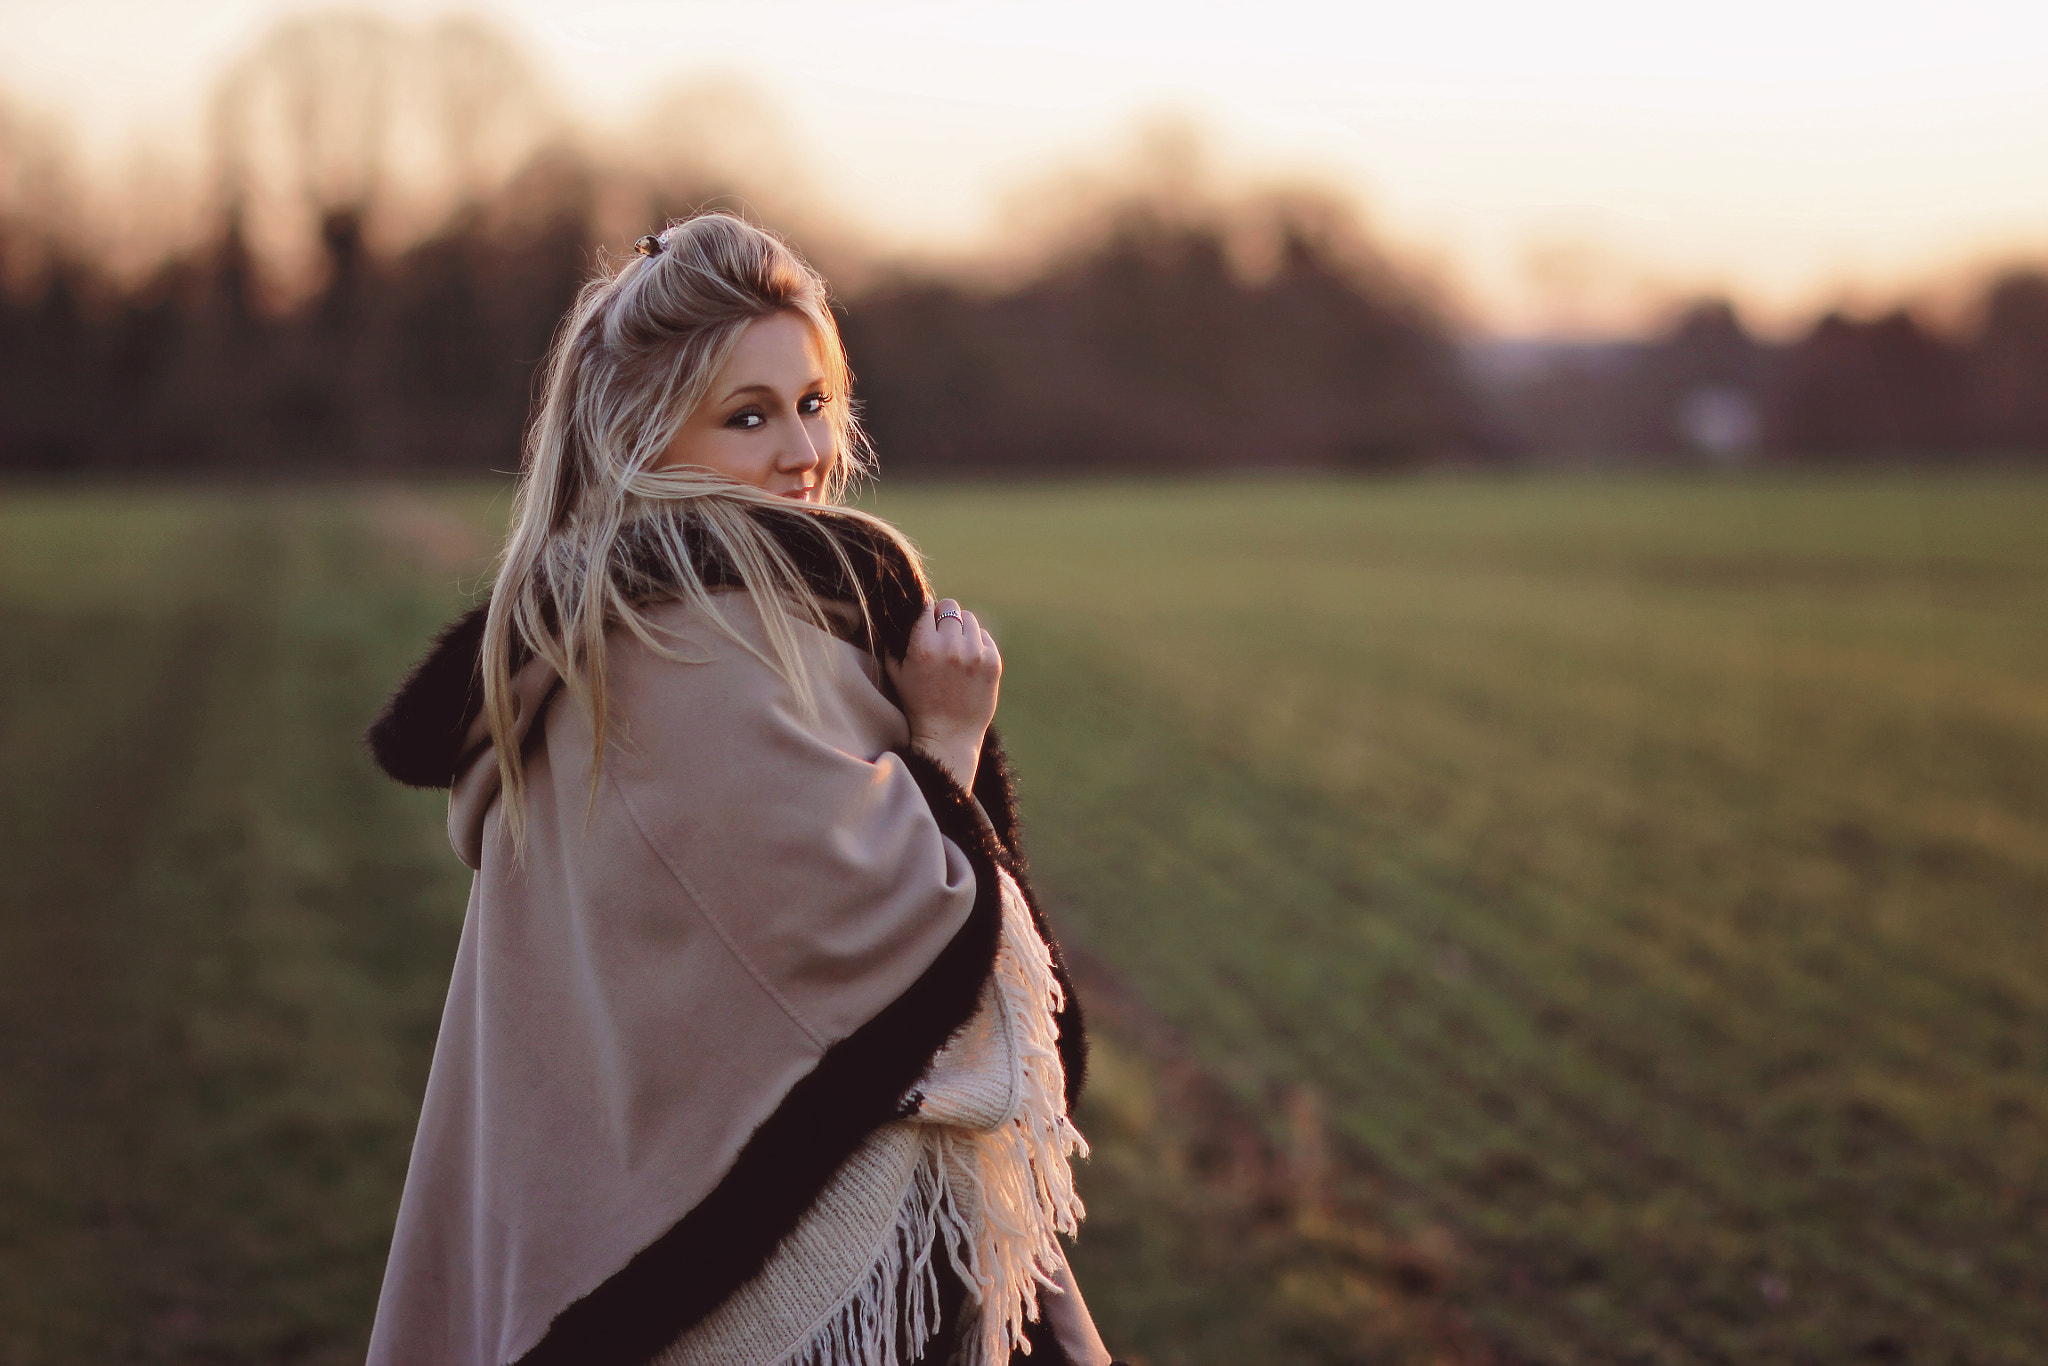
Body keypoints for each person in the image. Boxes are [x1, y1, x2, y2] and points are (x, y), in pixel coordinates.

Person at [361, 213, 1118, 1366]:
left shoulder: (670, 627)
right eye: (747, 415)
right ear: (639, 440)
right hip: (785, 1277)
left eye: (812, 401)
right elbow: (892, 931)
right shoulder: (690, 650)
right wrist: (948, 746)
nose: (800, 449)